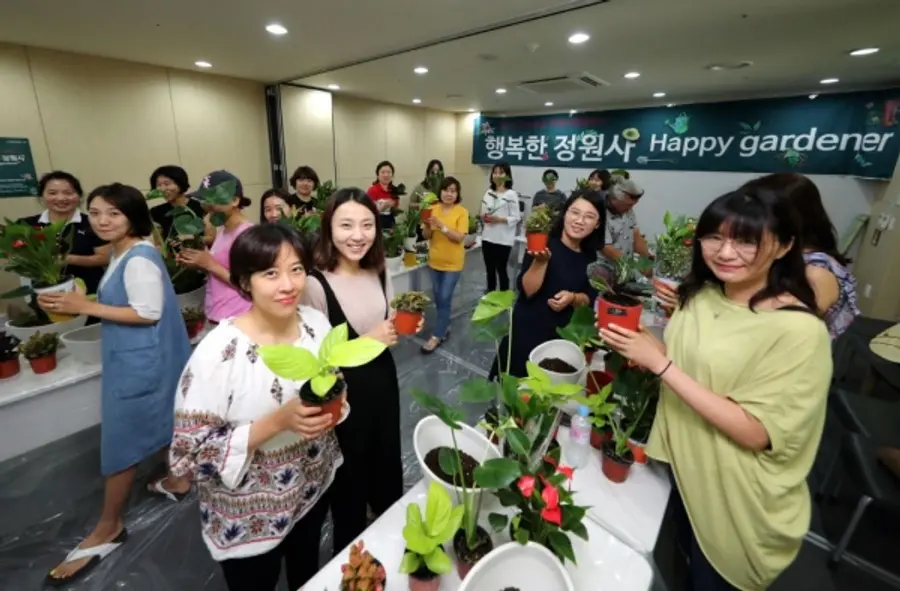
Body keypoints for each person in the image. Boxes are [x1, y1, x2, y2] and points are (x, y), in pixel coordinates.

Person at [601, 186, 832, 590]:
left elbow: (757, 431)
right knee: (676, 566)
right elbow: (692, 369)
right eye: (714, 237)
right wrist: (642, 345)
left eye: (746, 241)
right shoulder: (704, 295)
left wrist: (660, 363)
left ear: (783, 246)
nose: (725, 252)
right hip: (682, 472)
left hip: (733, 500)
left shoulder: (798, 331)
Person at [169, 224, 341, 591]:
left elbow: (334, 383)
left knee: (306, 572)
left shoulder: (316, 325)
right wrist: (276, 422)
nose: (288, 285)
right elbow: (187, 458)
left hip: (312, 489)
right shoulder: (219, 353)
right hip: (249, 519)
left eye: (296, 269)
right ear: (244, 281)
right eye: (271, 273)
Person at [39, 183, 191, 586]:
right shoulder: (123, 251)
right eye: (95, 213)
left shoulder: (138, 258)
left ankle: (110, 526)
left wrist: (85, 305)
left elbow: (148, 312)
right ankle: (178, 479)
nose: (102, 221)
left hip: (141, 364)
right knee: (166, 418)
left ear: (133, 216)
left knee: (121, 443)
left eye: (114, 213)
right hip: (144, 357)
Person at [303, 188, 419, 554]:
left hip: (382, 380)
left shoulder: (378, 270)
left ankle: (390, 539)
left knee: (386, 460)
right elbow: (316, 362)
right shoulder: (314, 283)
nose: (358, 235)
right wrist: (371, 338)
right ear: (329, 228)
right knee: (350, 477)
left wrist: (402, 324)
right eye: (346, 225)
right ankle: (351, 557)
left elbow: (388, 319)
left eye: (367, 225)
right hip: (343, 394)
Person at [491, 188, 605, 379]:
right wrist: (541, 262)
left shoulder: (590, 256)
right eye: (575, 212)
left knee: (548, 391)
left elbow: (589, 297)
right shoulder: (542, 243)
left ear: (597, 224)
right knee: (514, 389)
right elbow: (527, 291)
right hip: (527, 334)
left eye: (589, 216)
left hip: (561, 341)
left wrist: (572, 298)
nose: (579, 221)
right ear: (565, 213)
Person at [177, 170, 254, 324]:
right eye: (204, 199)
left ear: (234, 200)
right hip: (218, 315)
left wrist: (210, 264)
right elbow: (221, 268)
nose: (207, 205)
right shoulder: (223, 229)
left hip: (238, 317)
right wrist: (198, 263)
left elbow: (251, 285)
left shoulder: (247, 234)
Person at [18, 171, 109, 296]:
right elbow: (16, 256)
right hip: (44, 292)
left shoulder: (91, 223)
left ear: (79, 196)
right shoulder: (26, 225)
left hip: (89, 291)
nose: (61, 198)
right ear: (42, 195)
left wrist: (67, 259)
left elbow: (105, 258)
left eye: (68, 193)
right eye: (52, 193)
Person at [421, 176, 468, 354]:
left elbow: (459, 237)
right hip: (435, 262)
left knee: (445, 297)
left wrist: (442, 226)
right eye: (446, 190)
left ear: (457, 194)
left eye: (453, 191)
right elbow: (426, 236)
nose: (449, 194)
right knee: (439, 297)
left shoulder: (461, 212)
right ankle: (445, 325)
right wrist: (427, 226)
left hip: (453, 264)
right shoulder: (432, 209)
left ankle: (437, 335)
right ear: (440, 192)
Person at [480, 162, 521, 292]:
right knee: (489, 270)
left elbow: (516, 217)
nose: (497, 175)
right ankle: (490, 293)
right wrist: (484, 217)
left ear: (507, 175)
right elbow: (483, 212)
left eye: (501, 173)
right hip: (487, 237)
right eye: (495, 172)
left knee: (501, 269)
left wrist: (499, 219)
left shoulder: (511, 194)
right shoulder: (488, 192)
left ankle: (504, 296)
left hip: (503, 239)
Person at [601, 178, 652, 268]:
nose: (630, 209)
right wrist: (630, 268)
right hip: (606, 268)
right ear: (614, 199)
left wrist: (647, 260)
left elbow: (636, 235)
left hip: (626, 264)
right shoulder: (600, 213)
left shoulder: (627, 211)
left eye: (633, 205)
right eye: (628, 205)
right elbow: (606, 247)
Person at [149, 165, 205, 239]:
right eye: (158, 185)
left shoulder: (201, 207)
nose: (162, 189)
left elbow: (211, 238)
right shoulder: (156, 212)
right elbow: (158, 242)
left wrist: (192, 238)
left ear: (180, 183)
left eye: (167, 184)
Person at [366, 160, 402, 230]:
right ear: (378, 175)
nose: (386, 175)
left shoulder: (394, 191)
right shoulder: (372, 190)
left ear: (392, 175)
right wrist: (384, 205)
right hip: (376, 223)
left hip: (390, 222)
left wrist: (394, 208)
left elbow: (395, 213)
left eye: (389, 172)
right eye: (383, 172)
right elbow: (369, 212)